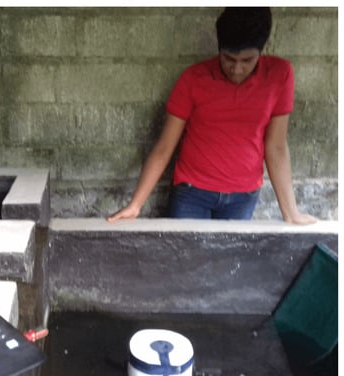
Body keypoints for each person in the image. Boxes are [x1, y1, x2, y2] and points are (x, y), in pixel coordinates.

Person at [107, 7, 316, 225]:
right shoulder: (193, 79)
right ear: (219, 48)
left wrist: (291, 212)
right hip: (192, 193)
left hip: (242, 197)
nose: (237, 69)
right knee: (184, 248)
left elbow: (277, 146)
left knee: (231, 249)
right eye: (228, 59)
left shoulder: (279, 75)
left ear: (263, 49)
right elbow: (164, 147)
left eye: (247, 60)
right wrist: (135, 205)